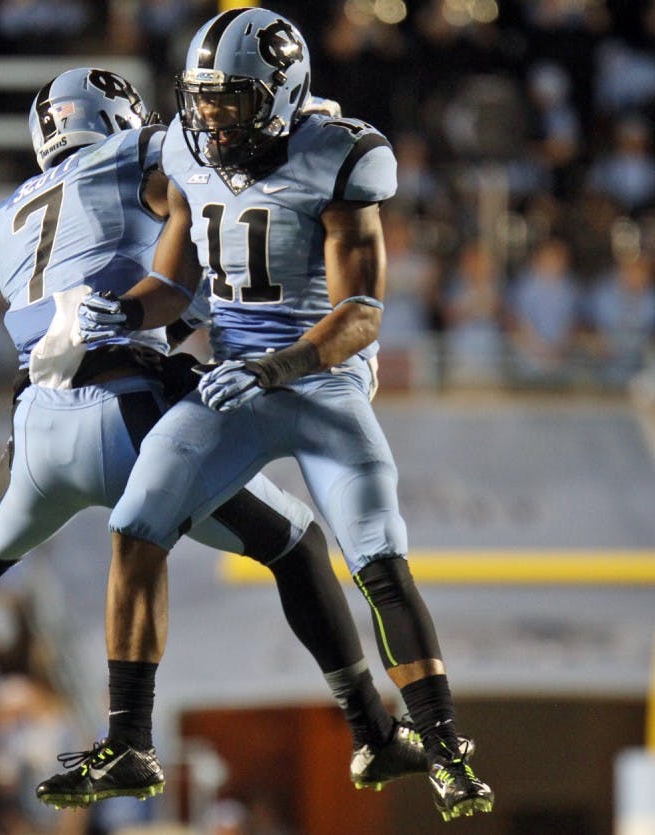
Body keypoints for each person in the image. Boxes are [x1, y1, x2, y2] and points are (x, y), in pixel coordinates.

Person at [0, 66, 429, 803]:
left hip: (37, 431)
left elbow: (107, 269)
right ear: (116, 117)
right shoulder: (142, 154)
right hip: (127, 411)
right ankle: (371, 731)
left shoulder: (0, 221)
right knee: (297, 543)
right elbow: (209, 181)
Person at [49, 8, 494, 822]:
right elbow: (177, 282)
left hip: (318, 385)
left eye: (233, 100)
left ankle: (442, 744)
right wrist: (129, 312)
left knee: (377, 557)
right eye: (204, 99)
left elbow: (362, 313)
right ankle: (128, 738)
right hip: (233, 384)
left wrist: (272, 366)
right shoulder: (186, 150)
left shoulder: (339, 157)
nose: (213, 117)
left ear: (284, 95)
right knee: (137, 522)